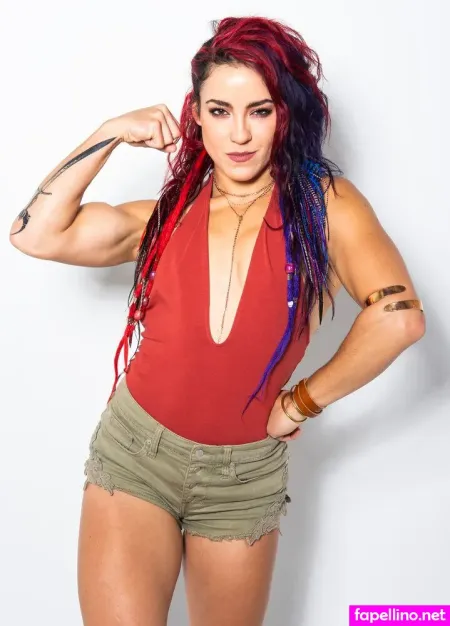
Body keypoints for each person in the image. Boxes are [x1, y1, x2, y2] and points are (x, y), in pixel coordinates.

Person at [8, 15, 425, 626]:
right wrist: (110, 132)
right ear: (196, 116)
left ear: (285, 114)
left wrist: (300, 403)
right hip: (136, 454)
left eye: (260, 110)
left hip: (242, 479)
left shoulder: (324, 208)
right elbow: (34, 235)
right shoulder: (166, 214)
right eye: (220, 111)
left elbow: (398, 318)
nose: (240, 134)